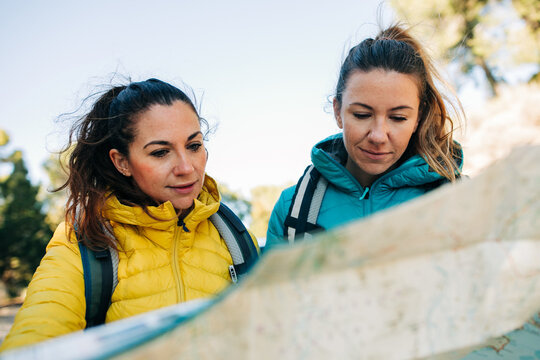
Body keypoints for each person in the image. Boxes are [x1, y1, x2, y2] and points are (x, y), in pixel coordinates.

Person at [0, 78, 259, 351]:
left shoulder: (233, 235)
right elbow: (35, 341)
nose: (187, 168)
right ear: (121, 162)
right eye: (160, 152)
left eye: (194, 146)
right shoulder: (83, 239)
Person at [267, 24, 464, 246]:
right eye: (362, 115)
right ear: (338, 111)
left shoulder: (460, 198)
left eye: (398, 118)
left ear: (418, 118)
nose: (378, 136)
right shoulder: (292, 209)